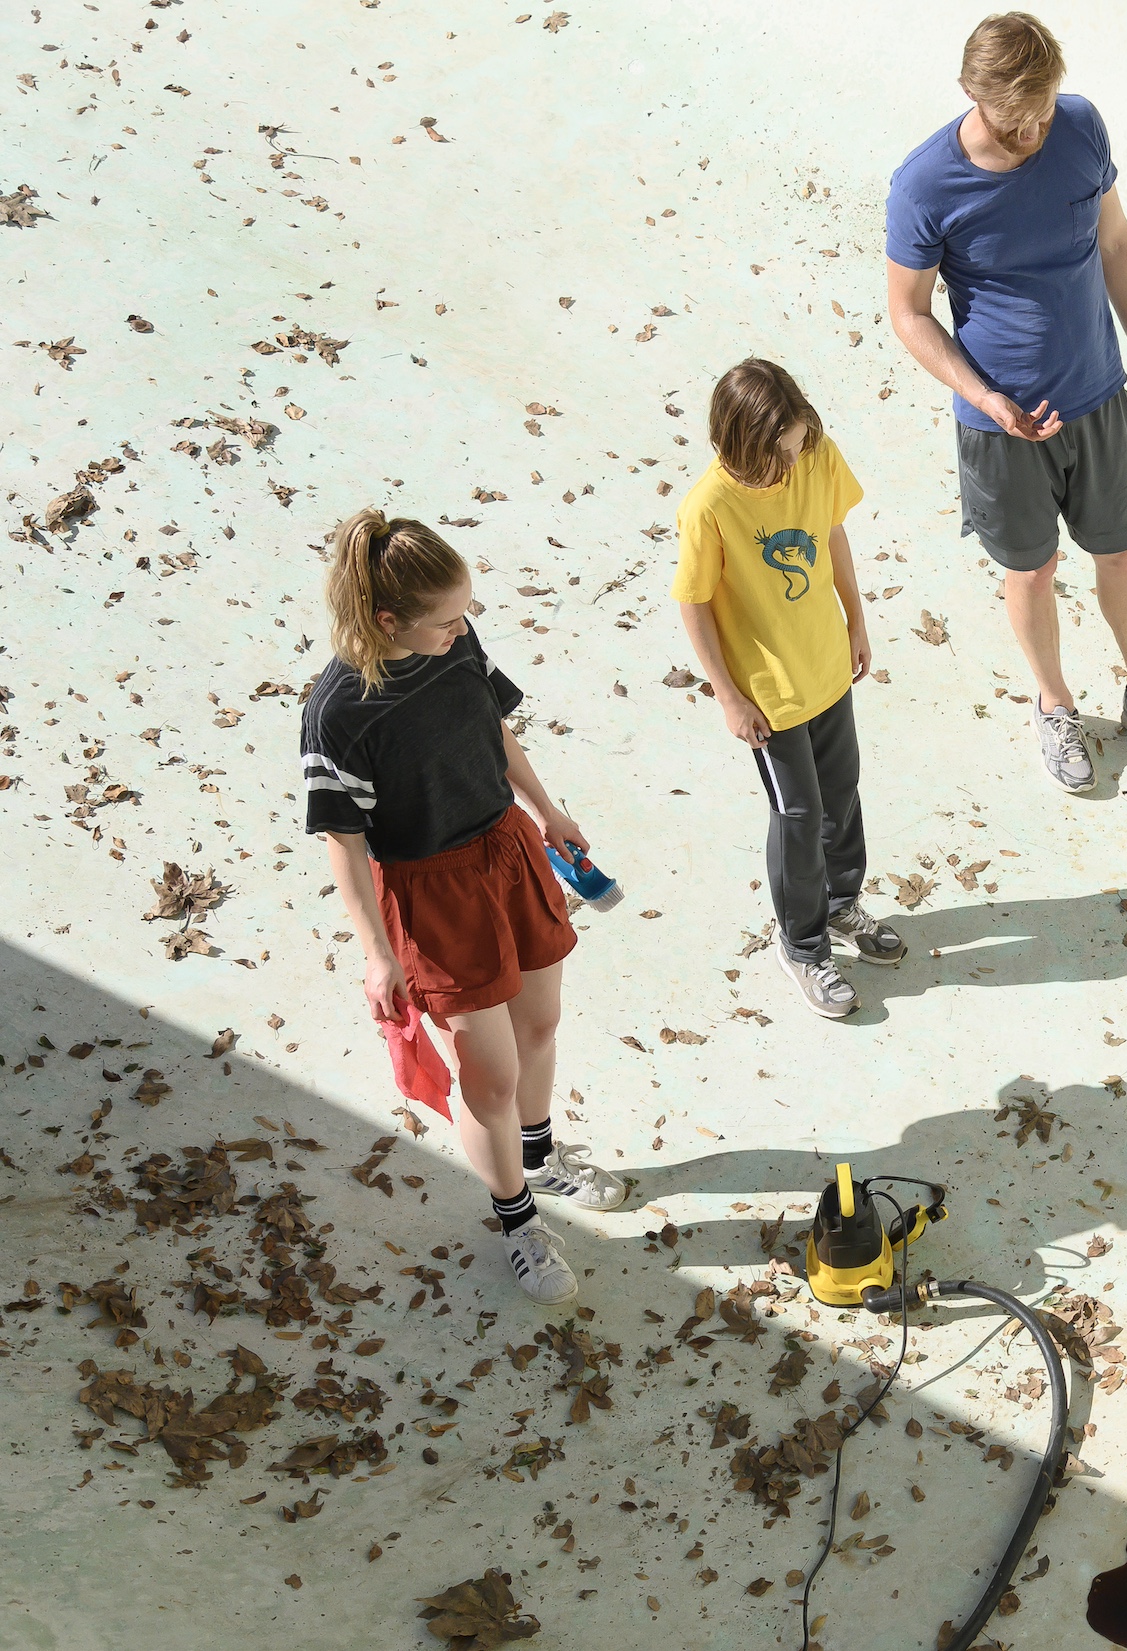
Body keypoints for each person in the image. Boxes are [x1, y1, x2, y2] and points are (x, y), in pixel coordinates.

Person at [302, 510, 626, 1308]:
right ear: (388, 621)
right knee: (489, 1080)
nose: (464, 628)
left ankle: (542, 1155)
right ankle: (518, 1223)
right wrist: (378, 954)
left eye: (465, 612)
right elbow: (343, 842)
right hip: (432, 890)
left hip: (509, 853)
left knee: (540, 1027)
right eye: (446, 619)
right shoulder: (336, 712)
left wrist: (545, 809)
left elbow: (496, 731)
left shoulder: (458, 645)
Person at [885, 9, 1127, 793]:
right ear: (970, 92)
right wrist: (983, 396)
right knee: (1031, 572)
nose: (1033, 129)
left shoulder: (1081, 127)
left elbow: (1116, 241)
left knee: (1121, 554)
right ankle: (1054, 705)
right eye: (1014, 117)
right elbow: (908, 313)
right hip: (1001, 425)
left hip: (1097, 394)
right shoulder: (924, 183)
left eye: (1044, 110)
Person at [673, 358, 904, 1021]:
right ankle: (801, 944)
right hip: (766, 692)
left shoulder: (816, 455)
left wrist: (857, 621)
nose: (793, 465)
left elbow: (832, 533)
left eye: (799, 448)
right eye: (779, 455)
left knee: (842, 789)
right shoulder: (710, 506)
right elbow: (693, 602)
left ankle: (838, 904)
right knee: (798, 814)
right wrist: (727, 695)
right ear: (740, 445)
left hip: (825, 665)